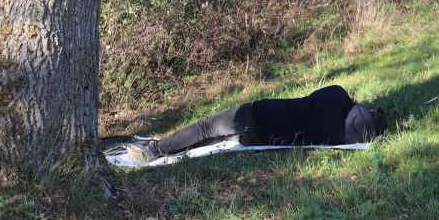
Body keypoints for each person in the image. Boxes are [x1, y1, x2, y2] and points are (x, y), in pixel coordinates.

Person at [125, 85, 387, 163]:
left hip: (255, 114)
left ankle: (156, 149)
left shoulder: (338, 96)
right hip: (263, 139)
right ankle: (170, 150)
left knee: (207, 126)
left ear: (367, 109)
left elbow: (320, 96)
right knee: (217, 138)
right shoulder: (347, 138)